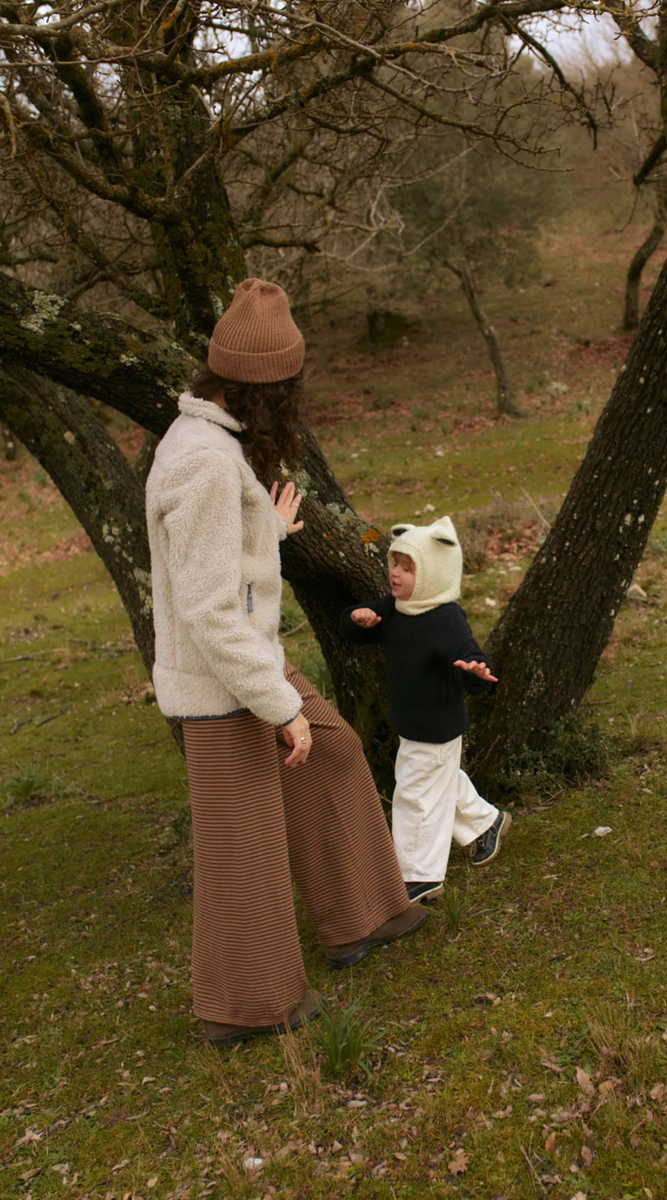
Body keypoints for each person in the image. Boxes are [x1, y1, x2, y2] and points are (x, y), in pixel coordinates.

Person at [145, 278, 427, 1046]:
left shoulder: (209, 444)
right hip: (220, 681)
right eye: (290, 390)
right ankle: (246, 1008)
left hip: (242, 662)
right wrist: (281, 708)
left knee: (332, 754)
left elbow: (210, 564)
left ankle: (362, 915)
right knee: (244, 844)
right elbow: (208, 608)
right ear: (263, 390)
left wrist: (261, 531)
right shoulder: (203, 462)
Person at [340, 516, 511, 903]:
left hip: (437, 725)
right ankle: (486, 822)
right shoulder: (396, 608)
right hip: (411, 722)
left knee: (415, 793)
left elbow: (468, 655)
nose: (395, 573)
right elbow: (359, 629)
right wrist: (357, 619)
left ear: (434, 574)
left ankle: (419, 875)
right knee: (439, 781)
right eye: (395, 564)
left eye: (408, 568)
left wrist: (475, 670)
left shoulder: (446, 618)